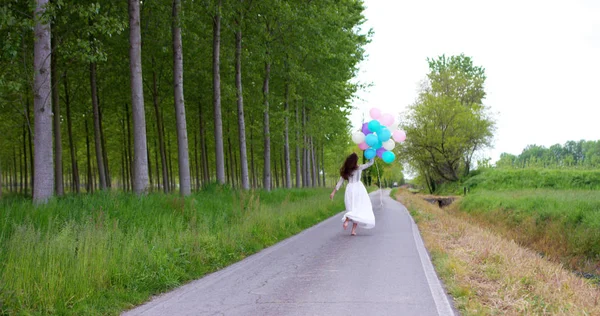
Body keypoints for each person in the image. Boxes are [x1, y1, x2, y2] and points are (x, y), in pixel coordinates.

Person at [330, 153, 375, 236]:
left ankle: (347, 221)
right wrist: (372, 154)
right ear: (355, 161)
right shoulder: (360, 168)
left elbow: (340, 182)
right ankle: (353, 230)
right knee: (358, 208)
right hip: (359, 189)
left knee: (351, 208)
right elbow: (370, 163)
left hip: (350, 189)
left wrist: (333, 192)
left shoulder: (347, 171)